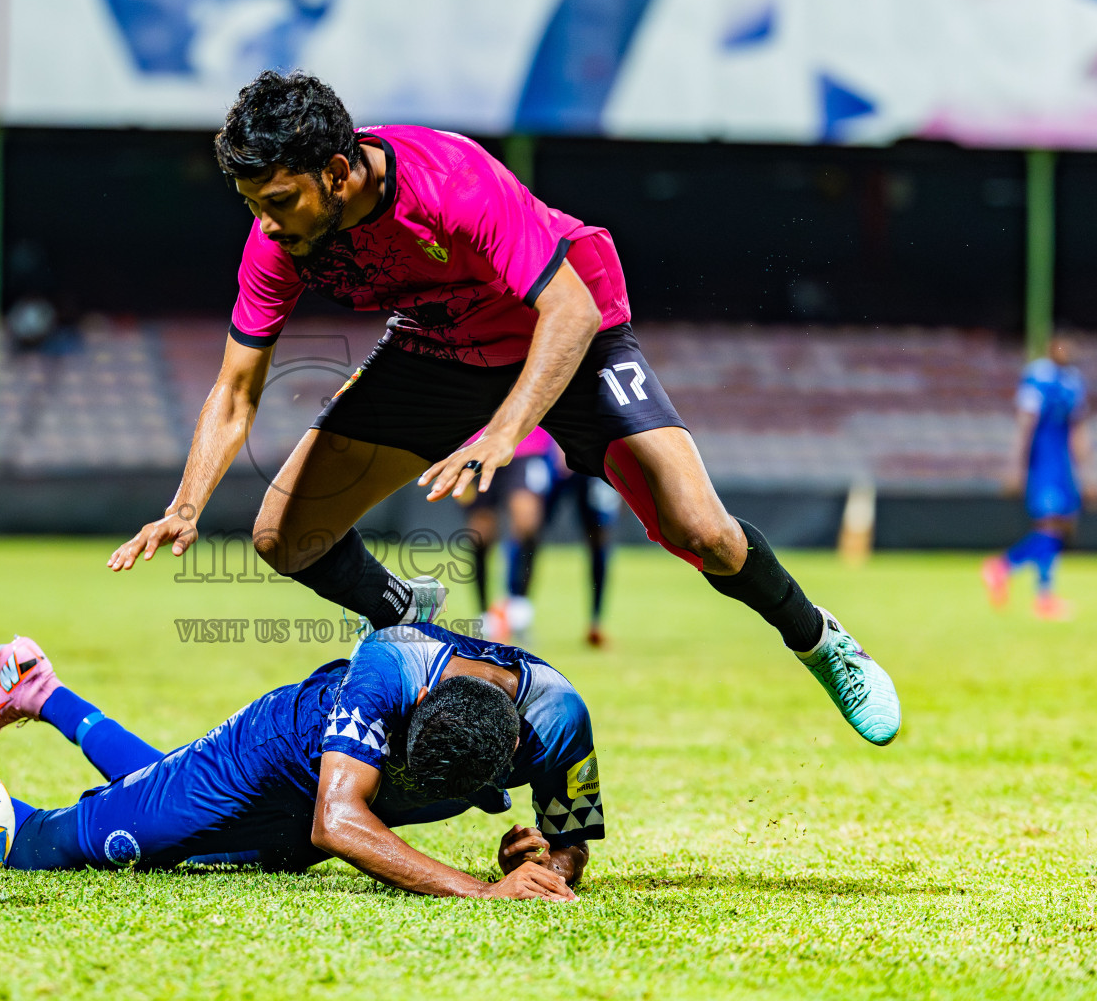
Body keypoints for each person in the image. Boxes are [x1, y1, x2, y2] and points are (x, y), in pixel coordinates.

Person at [109, 71, 900, 747]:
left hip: (572, 335)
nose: (268, 224)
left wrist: (505, 432)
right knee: (284, 537)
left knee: (704, 534)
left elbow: (571, 312)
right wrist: (187, 503)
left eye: (280, 200)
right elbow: (237, 387)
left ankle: (822, 642)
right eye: (252, 205)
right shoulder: (278, 241)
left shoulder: (450, 180)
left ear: (341, 171)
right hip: (440, 347)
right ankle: (404, 615)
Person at [0, 626, 599, 901]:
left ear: (518, 746)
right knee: (65, 844)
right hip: (271, 760)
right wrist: (479, 889)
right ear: (412, 718)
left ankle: (42, 693)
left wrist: (545, 863)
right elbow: (342, 821)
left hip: (313, 816)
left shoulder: (561, 719)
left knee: (158, 814)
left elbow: (570, 842)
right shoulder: (388, 668)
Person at [982, 336, 1089, 620]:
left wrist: (1084, 471)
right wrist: (1016, 467)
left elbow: (1077, 428)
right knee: (1049, 525)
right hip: (1043, 462)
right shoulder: (1038, 377)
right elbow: (1025, 424)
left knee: (1061, 527)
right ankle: (1006, 570)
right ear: (1051, 347)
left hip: (1064, 464)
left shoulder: (1074, 381)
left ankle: (1033, 589)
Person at [458, 426, 556, 645]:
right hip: (476, 446)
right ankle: (484, 615)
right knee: (480, 534)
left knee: (527, 521)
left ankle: (520, 608)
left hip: (526, 445)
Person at [548, 463, 620, 648]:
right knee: (529, 525)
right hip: (562, 460)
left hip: (596, 464)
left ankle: (596, 622)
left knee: (599, 540)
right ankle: (517, 612)